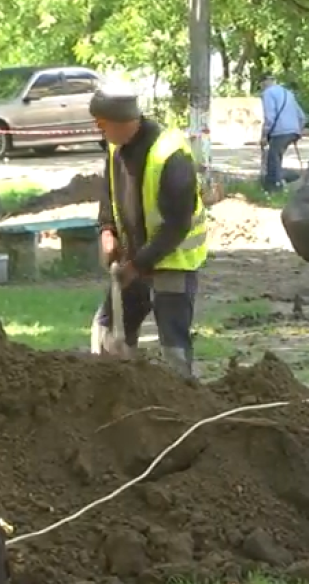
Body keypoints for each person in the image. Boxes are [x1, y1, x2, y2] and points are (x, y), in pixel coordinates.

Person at [89, 82, 208, 377]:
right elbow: (109, 193)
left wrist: (138, 265)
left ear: (117, 122)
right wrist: (107, 230)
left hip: (171, 262)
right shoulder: (116, 146)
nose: (98, 131)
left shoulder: (171, 156)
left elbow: (177, 224)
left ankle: (181, 406)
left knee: (173, 347)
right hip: (134, 259)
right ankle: (112, 395)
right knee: (107, 331)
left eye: (101, 125)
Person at [259, 74, 308, 192]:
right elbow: (302, 117)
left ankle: (273, 189)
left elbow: (270, 117)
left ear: (265, 82)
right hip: (293, 131)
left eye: (261, 84)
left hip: (280, 131)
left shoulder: (268, 93)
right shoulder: (288, 93)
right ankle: (282, 180)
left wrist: (264, 135)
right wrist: (297, 131)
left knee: (272, 158)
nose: (261, 87)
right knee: (276, 156)